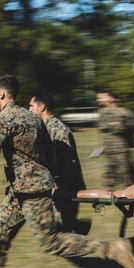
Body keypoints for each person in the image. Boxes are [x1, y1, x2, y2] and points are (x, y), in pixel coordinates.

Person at [0, 75, 134, 268]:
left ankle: (112, 249)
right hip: (21, 192)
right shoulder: (33, 118)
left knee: (51, 242)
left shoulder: (4, 119)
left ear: (2, 94)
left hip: (33, 193)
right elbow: (51, 156)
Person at [29, 93, 86, 231]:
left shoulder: (58, 130)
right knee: (61, 232)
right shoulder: (44, 129)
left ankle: (83, 234)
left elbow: (68, 164)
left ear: (41, 107)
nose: (29, 110)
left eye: (31, 106)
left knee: (61, 234)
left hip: (66, 190)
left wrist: (62, 192)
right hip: (57, 190)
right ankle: (79, 229)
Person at [94, 90, 134, 190]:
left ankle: (131, 194)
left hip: (121, 148)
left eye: (102, 97)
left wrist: (111, 126)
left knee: (126, 174)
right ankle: (109, 196)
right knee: (108, 174)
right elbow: (100, 128)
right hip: (107, 148)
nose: (99, 99)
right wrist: (113, 125)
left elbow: (125, 128)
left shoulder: (124, 112)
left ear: (112, 98)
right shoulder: (101, 112)